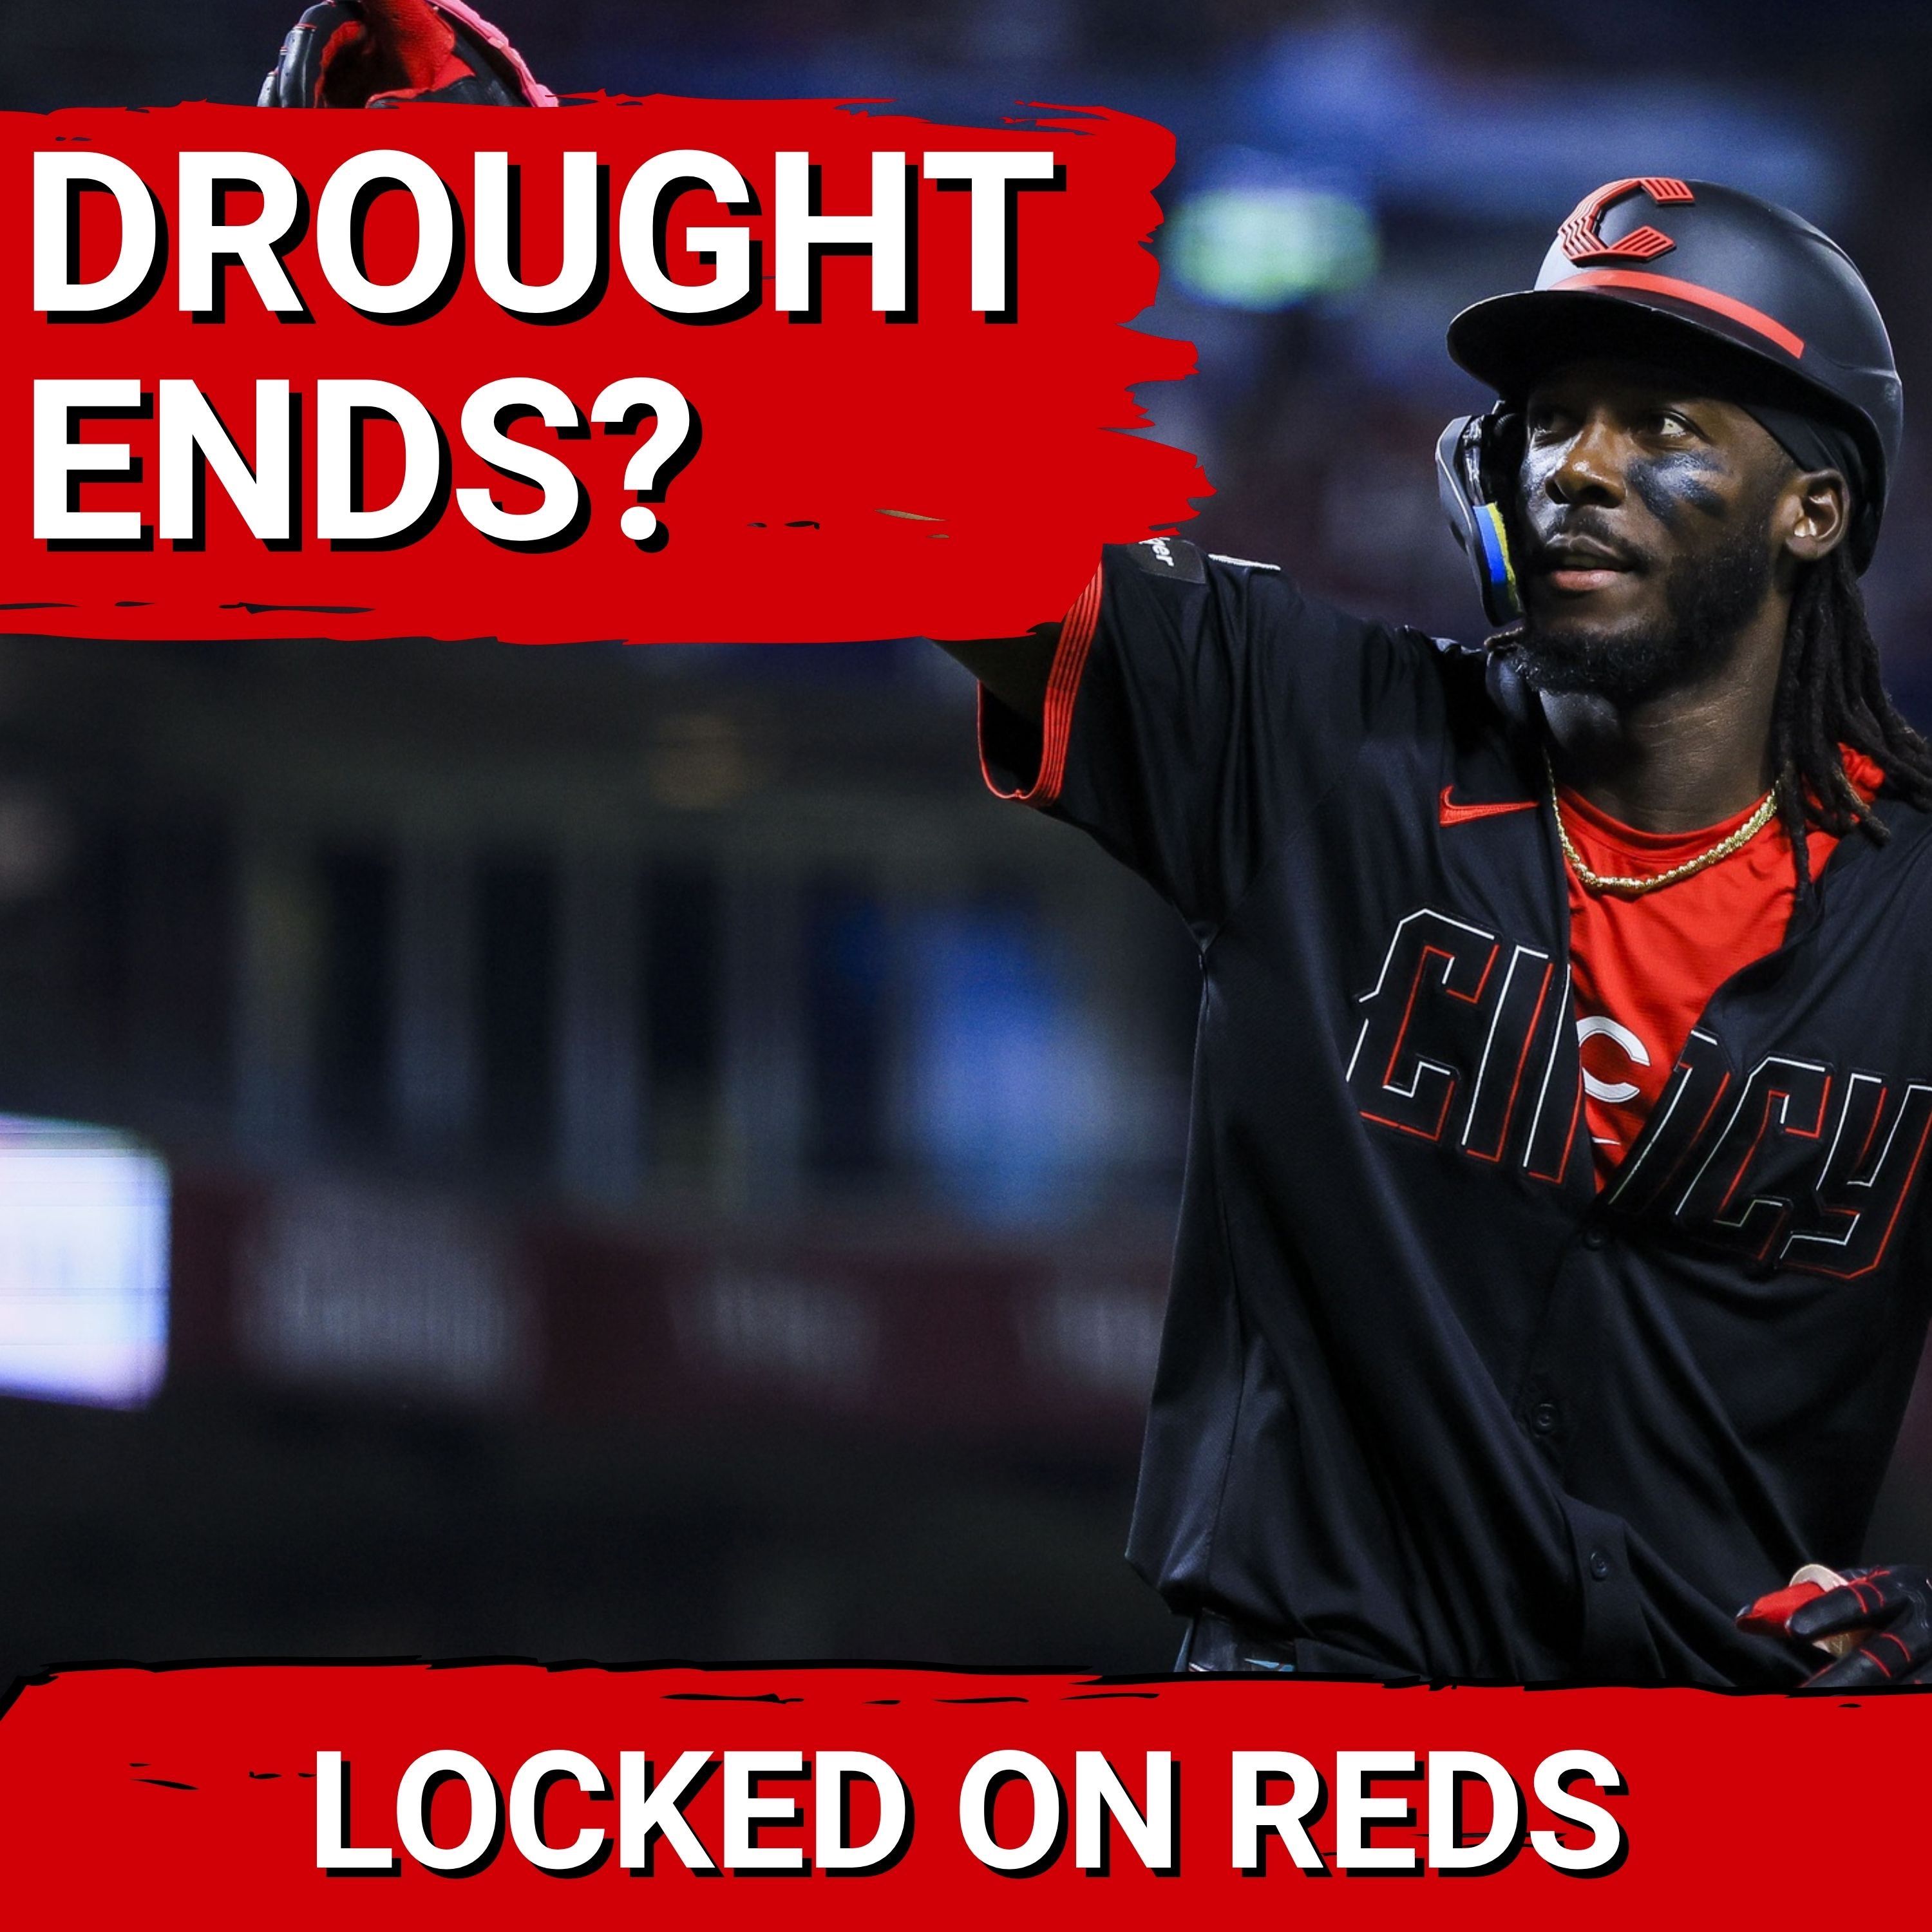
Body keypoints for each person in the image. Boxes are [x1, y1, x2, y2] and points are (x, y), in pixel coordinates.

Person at [262, 13, 1932, 1685]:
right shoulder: (1316, 738)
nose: (1582, 467)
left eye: (1664, 424)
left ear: (1816, 510)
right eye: (1553, 420)